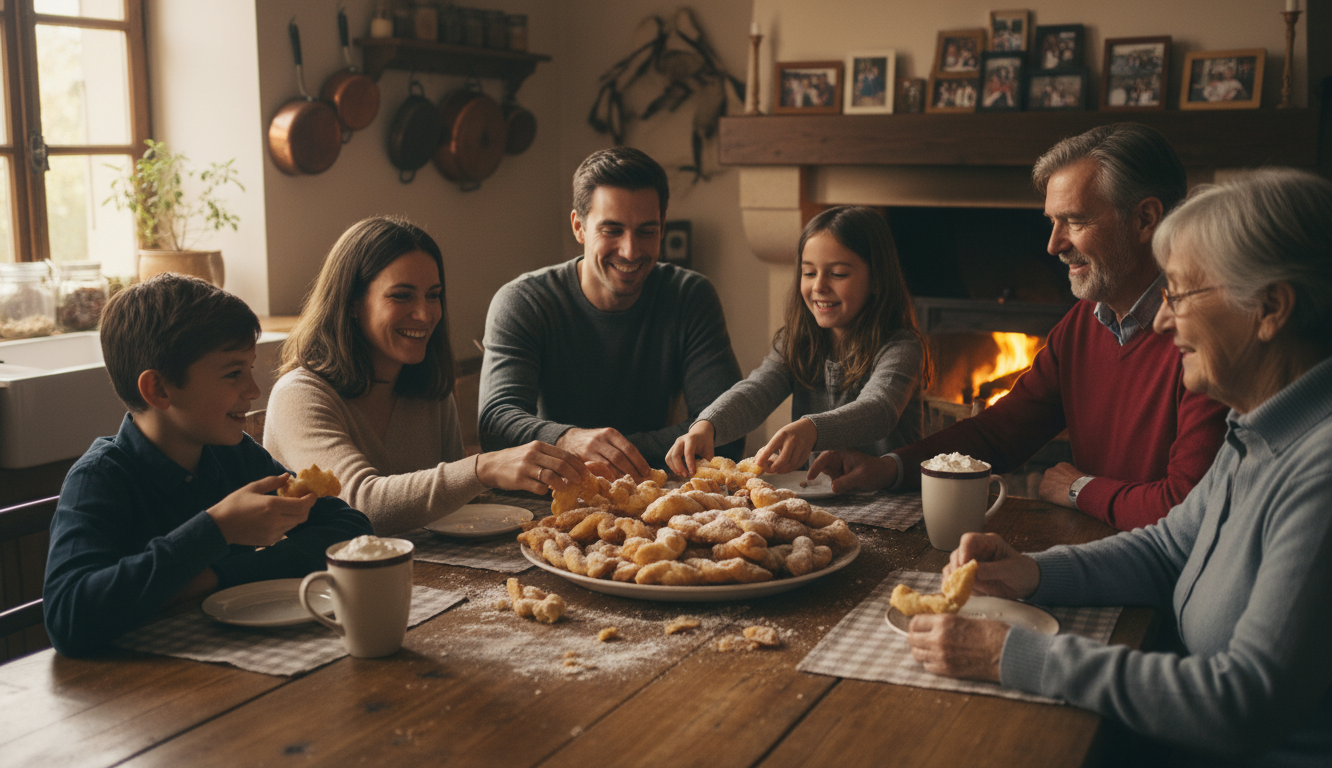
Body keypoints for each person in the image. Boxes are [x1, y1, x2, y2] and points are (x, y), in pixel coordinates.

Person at [906, 168, 1332, 764]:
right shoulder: (1259, 428)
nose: (1162, 321)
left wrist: (1011, 655)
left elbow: (1245, 703)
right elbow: (1167, 548)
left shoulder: (1327, 468)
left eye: (1182, 294)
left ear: (1270, 309)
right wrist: (1029, 572)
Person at [809, 123, 1229, 531]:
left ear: (1145, 219)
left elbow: (1187, 505)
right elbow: (999, 433)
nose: (1053, 244)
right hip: (1095, 547)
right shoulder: (1083, 324)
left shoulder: (1207, 339)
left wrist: (1078, 489)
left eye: (1075, 221)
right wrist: (887, 467)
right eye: (1052, 221)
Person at [43, 275, 373, 657]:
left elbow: (349, 528)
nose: (253, 390)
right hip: (134, 695)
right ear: (160, 390)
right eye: (234, 373)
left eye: (249, 369)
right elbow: (69, 618)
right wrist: (217, 529)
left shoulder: (232, 454)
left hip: (239, 663)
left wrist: (212, 577)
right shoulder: (99, 478)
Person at [265, 217, 588, 535]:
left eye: (433, 295)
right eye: (402, 295)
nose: (424, 314)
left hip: (418, 572)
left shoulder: (429, 390)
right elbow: (359, 505)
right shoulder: (299, 395)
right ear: (352, 303)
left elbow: (452, 509)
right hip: (319, 580)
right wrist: (483, 467)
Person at [478, 146, 743, 479]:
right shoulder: (524, 301)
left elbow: (725, 430)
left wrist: (593, 456)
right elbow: (496, 425)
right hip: (555, 497)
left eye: (646, 231)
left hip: (656, 496)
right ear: (579, 227)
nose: (630, 250)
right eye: (612, 230)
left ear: (662, 228)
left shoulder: (690, 296)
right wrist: (568, 439)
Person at [666, 206, 925, 477]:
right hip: (815, 496)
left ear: (877, 280)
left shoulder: (901, 347)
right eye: (809, 273)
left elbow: (879, 410)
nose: (819, 286)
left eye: (837, 273)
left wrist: (811, 429)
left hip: (889, 501)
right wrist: (707, 424)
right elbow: (756, 391)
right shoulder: (798, 342)